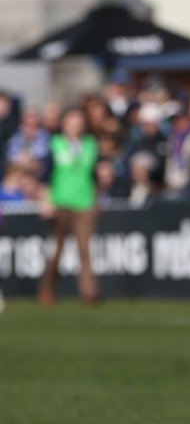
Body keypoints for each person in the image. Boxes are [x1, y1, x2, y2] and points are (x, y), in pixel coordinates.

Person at [38, 107, 100, 306]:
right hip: (61, 202)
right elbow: (45, 176)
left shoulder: (91, 144)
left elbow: (94, 176)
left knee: (85, 249)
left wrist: (97, 199)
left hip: (85, 203)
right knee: (57, 250)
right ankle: (48, 289)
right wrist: (46, 200)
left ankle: (90, 292)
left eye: (80, 120)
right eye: (73, 120)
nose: (77, 124)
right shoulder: (55, 144)